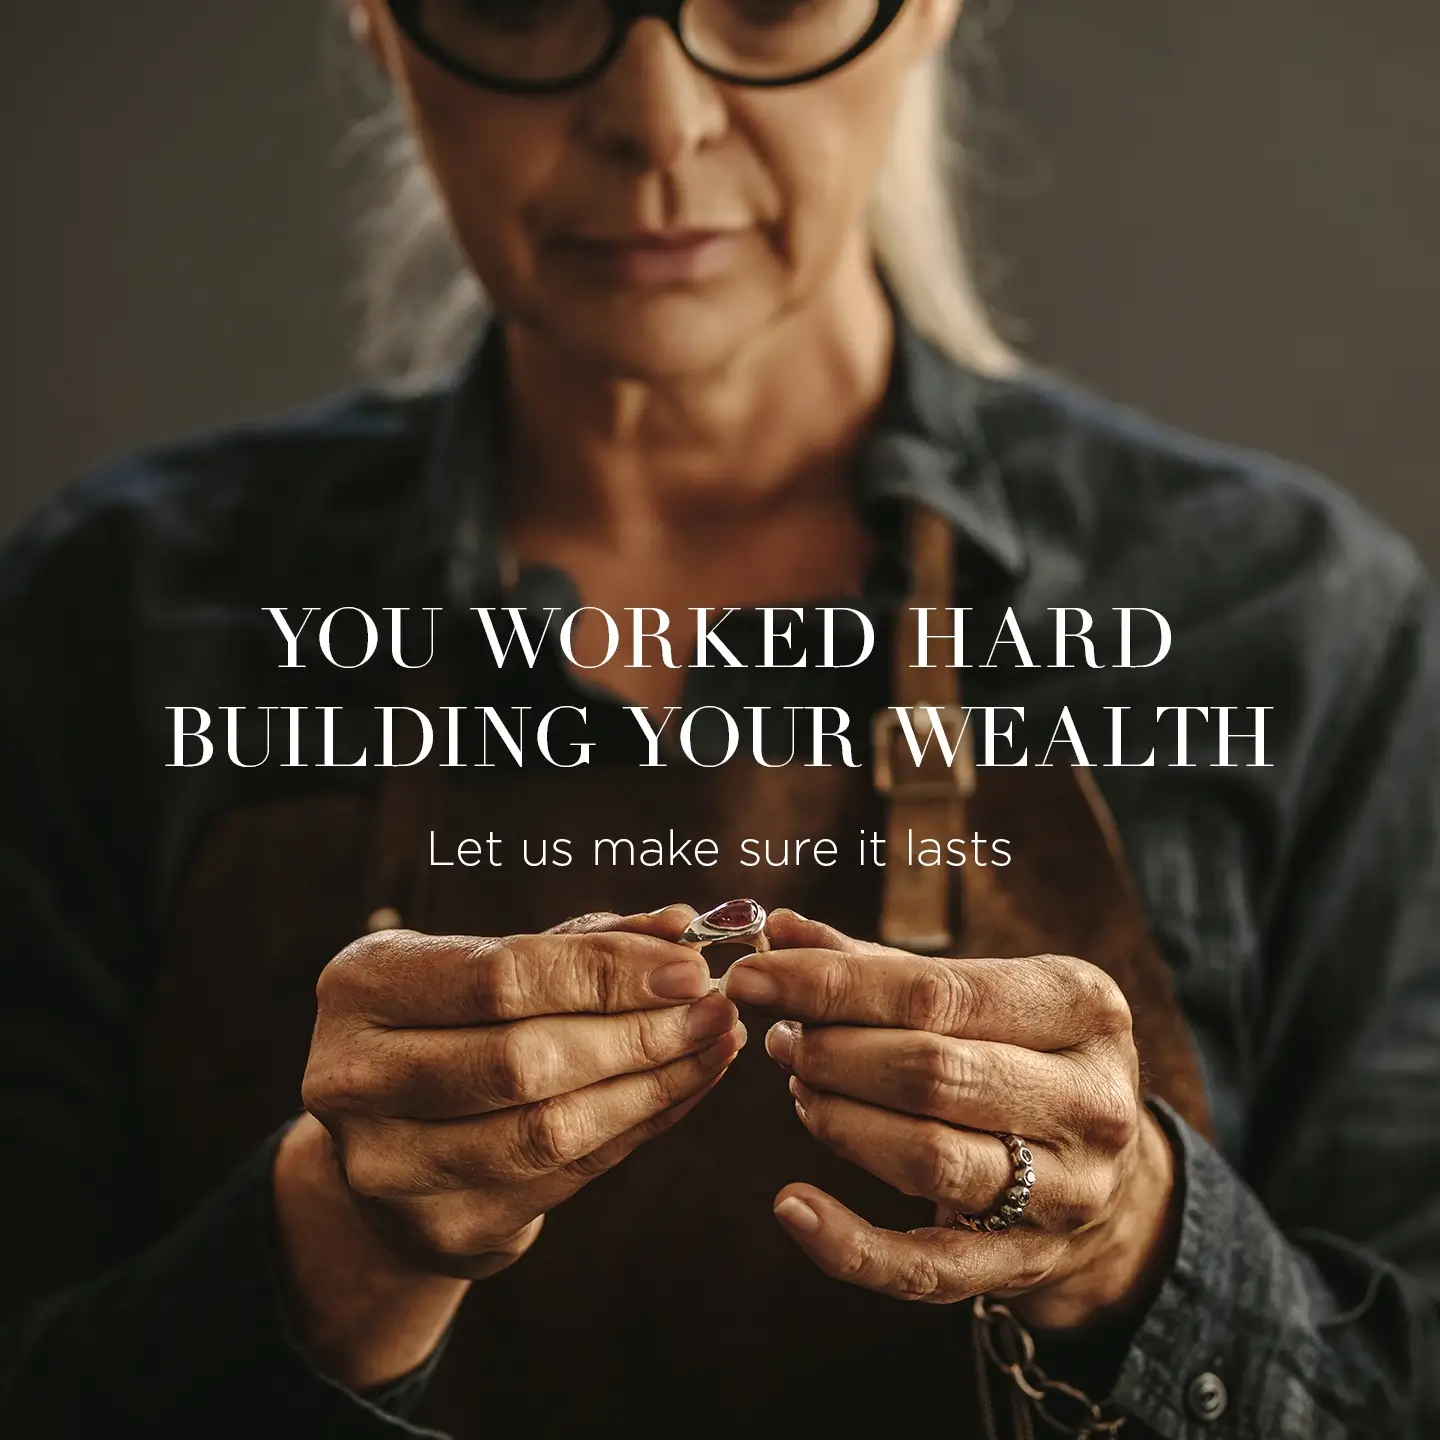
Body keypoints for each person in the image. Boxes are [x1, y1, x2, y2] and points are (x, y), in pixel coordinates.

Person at [1, 1, 1436, 1435]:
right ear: (380, 24)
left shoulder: (1296, 625)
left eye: (768, 2)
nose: (657, 119)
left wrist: (1132, 1245)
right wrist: (340, 1242)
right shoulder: (110, 622)